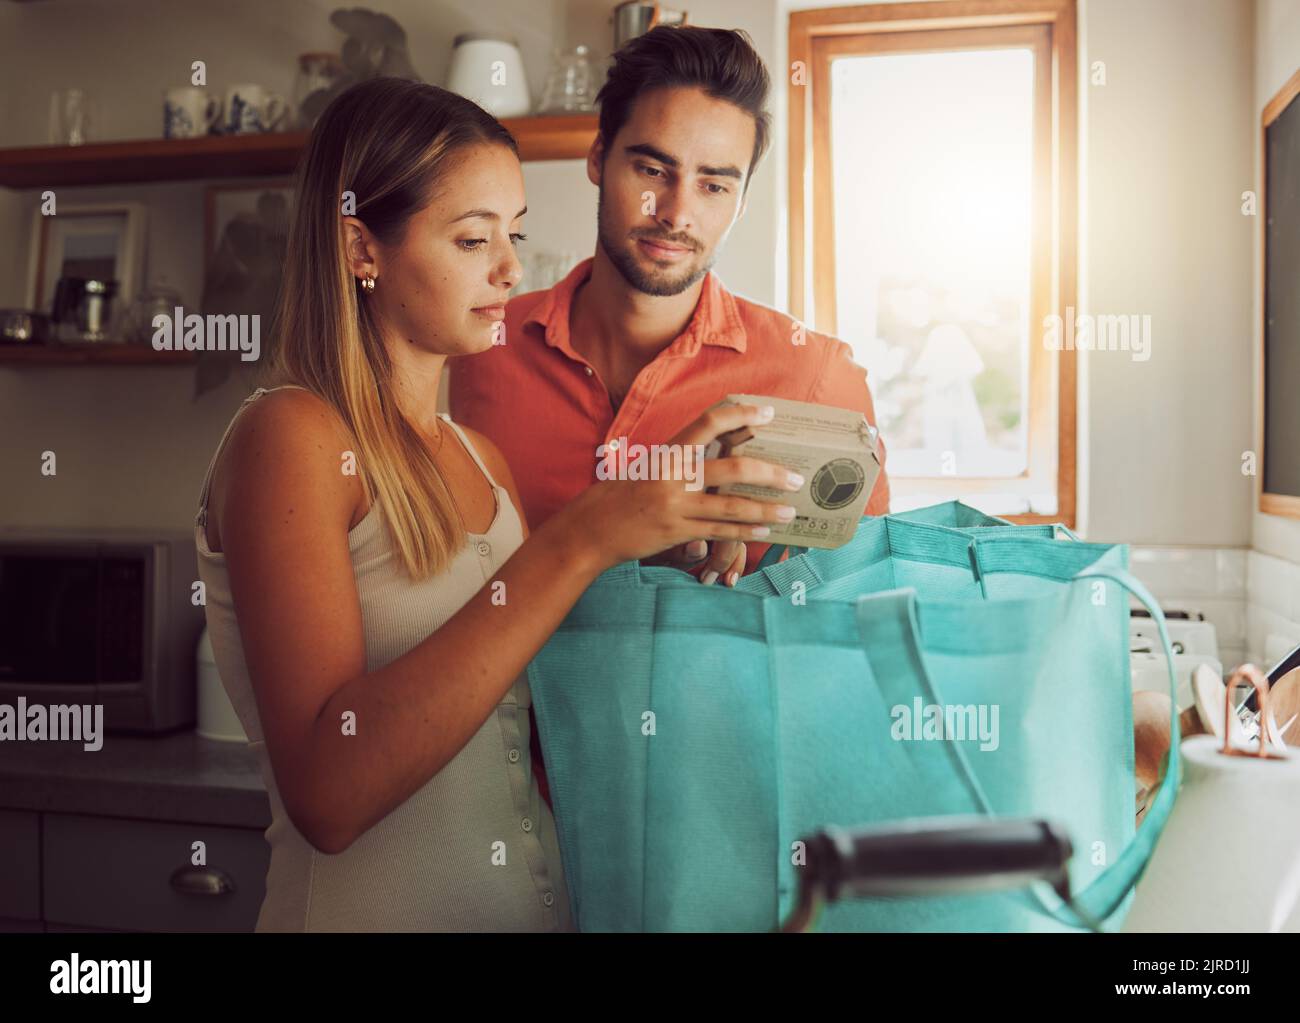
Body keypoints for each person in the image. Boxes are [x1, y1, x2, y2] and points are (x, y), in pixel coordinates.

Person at [193, 76, 800, 931]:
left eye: (512, 234)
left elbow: (501, 676)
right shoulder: (289, 436)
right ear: (362, 248)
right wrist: (586, 534)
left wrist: (650, 547)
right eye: (474, 239)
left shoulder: (478, 458)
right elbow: (329, 794)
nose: (513, 271)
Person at [451, 25, 891, 592]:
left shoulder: (821, 377)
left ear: (741, 202)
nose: (677, 213)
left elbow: (856, 614)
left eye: (714, 186)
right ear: (598, 158)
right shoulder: (481, 342)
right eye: (654, 171)